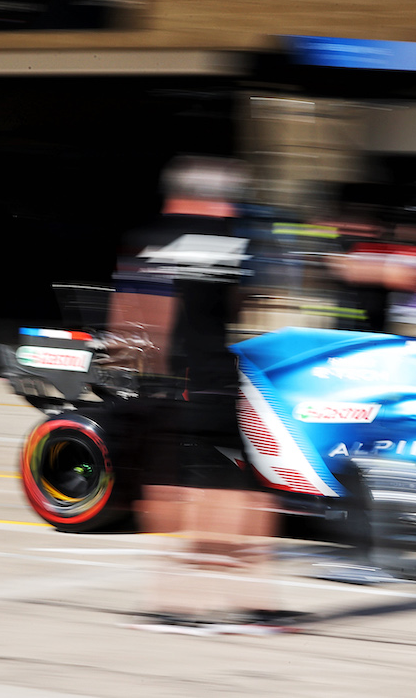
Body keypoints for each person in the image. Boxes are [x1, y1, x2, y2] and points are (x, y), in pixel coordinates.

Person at [111, 155, 292, 634]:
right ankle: (250, 605)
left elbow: (134, 318)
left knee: (174, 490)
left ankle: (172, 604)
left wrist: (133, 379)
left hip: (172, 385)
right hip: (218, 383)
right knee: (243, 491)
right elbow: (245, 306)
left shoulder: (150, 238)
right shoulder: (237, 240)